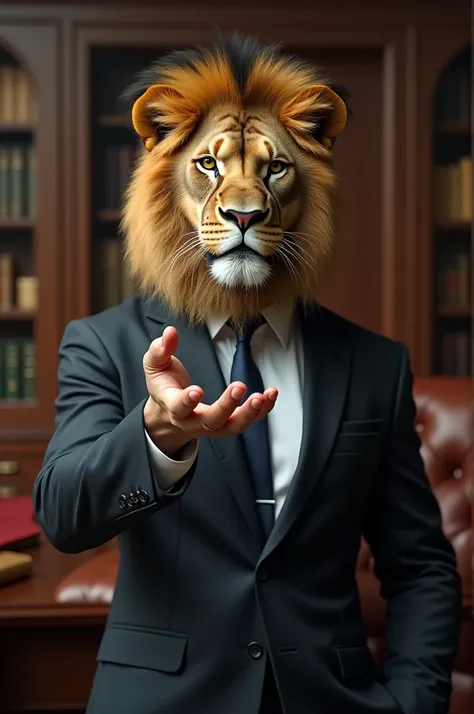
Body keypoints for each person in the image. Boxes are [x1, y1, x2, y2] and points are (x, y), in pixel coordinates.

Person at [33, 34, 462, 714]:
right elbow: (62, 516)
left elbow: (421, 567)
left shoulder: (374, 365)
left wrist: (412, 700)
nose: (242, 203)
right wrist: (156, 433)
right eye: (207, 167)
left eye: (272, 171)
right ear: (167, 182)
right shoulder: (104, 344)